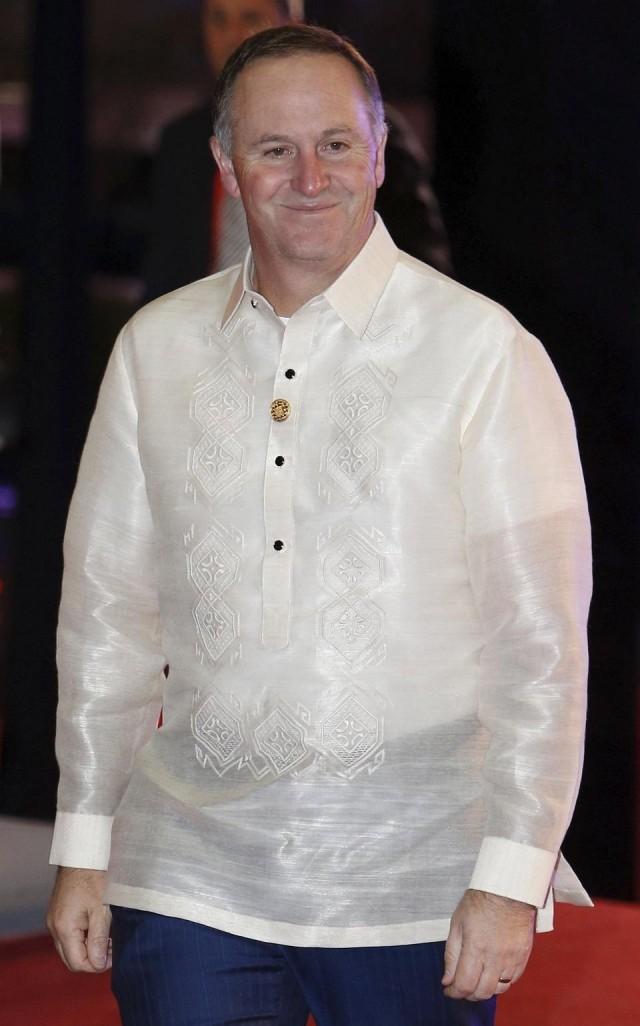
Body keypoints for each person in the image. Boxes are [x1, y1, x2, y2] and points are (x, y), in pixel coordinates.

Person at [47, 24, 592, 1026]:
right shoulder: (154, 350)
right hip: (188, 872)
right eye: (274, 148)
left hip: (411, 877)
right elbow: (107, 618)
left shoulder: (483, 352)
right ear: (225, 164)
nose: (309, 177)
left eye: (336, 144)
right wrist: (84, 845)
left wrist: (512, 874)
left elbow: (540, 647)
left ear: (379, 154)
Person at [142, 0, 450, 301]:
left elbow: (422, 269)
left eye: (250, 18)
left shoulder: (367, 130)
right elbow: (165, 269)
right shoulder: (181, 139)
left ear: (292, 24)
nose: (232, 35)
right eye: (219, 19)